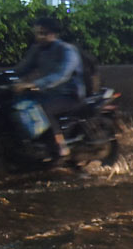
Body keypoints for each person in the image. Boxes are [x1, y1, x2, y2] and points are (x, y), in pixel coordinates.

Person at [13, 15, 86, 158]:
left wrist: (33, 84)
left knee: (43, 109)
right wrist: (5, 78)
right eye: (37, 33)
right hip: (49, 92)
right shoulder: (37, 50)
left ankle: (60, 145)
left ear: (53, 34)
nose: (39, 37)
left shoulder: (67, 50)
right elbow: (22, 69)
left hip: (69, 94)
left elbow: (62, 75)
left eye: (43, 33)